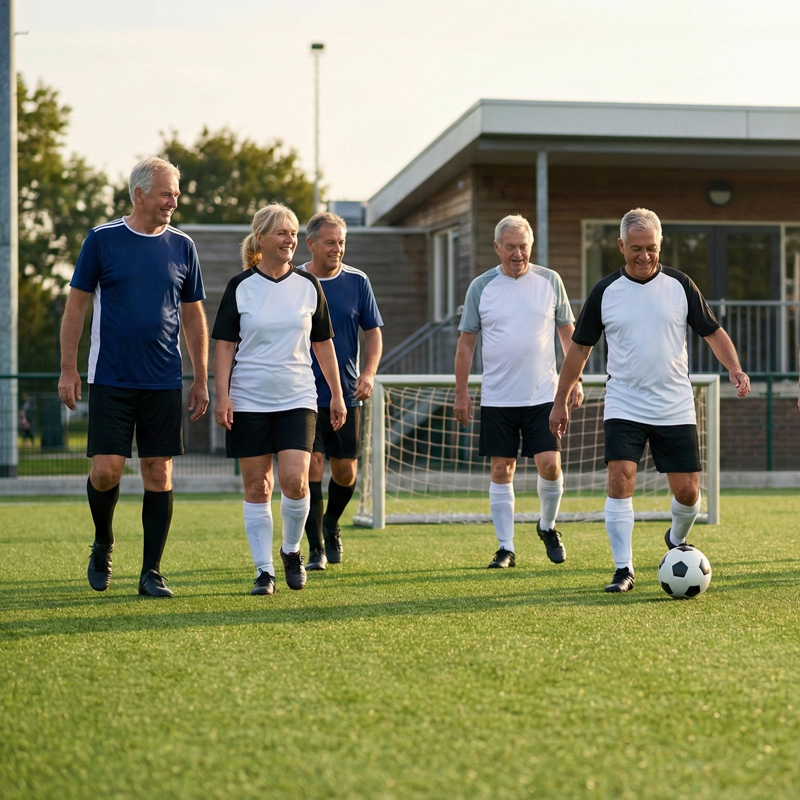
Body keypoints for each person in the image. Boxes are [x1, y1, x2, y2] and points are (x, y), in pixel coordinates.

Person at [549, 207, 750, 593]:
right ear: (621, 246)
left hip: (674, 404)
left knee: (689, 492)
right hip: (624, 403)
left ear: (661, 245)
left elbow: (713, 331)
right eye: (636, 248)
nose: (644, 256)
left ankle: (676, 539)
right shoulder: (605, 292)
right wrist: (560, 400)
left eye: (652, 248)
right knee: (620, 479)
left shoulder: (680, 285)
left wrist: (735, 368)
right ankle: (623, 569)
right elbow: (579, 350)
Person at [58, 156, 209, 598]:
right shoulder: (102, 240)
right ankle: (103, 541)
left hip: (163, 380)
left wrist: (200, 377)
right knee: (106, 472)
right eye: (166, 193)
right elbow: (76, 307)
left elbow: (194, 315)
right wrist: (69, 368)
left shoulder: (183, 246)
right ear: (140, 193)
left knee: (157, 471)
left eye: (176, 193)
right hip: (111, 379)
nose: (173, 201)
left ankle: (151, 572)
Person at [212, 203, 346, 596]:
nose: (290, 240)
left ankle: (291, 550)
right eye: (282, 233)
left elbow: (323, 345)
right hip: (249, 399)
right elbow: (224, 346)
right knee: (257, 487)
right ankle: (264, 570)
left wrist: (336, 394)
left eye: (292, 233)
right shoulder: (240, 286)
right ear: (261, 239)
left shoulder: (309, 286)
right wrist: (224, 396)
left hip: (297, 398)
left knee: (294, 481)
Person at [454, 214, 583, 569]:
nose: (516, 253)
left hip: (543, 396)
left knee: (550, 466)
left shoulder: (550, 281)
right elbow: (466, 344)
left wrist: (574, 383)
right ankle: (506, 547)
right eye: (509, 247)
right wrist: (461, 392)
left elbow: (569, 337)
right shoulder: (481, 287)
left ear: (531, 247)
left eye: (522, 246)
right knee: (501, 470)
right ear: (497, 248)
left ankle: (548, 525)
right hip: (497, 397)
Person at [298, 212, 384, 569]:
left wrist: (368, 372)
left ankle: (331, 523)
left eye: (342, 242)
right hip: (301, 393)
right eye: (331, 242)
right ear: (312, 244)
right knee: (312, 467)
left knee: (345, 472)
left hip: (346, 396)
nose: (337, 249)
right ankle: (316, 546)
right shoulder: (295, 280)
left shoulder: (357, 281)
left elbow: (373, 333)